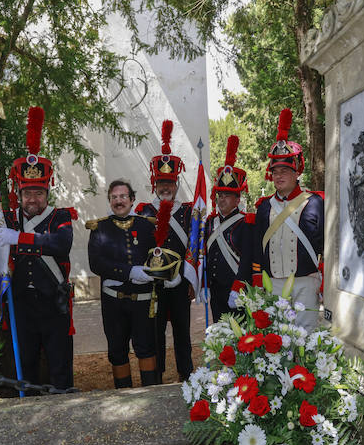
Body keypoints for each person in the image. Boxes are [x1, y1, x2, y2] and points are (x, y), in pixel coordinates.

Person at [0, 106, 76, 391]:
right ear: (19, 193)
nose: (33, 198)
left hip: (53, 306)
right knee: (25, 370)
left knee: (60, 370)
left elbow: (61, 243)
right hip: (20, 308)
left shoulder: (61, 217)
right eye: (27, 192)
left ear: (47, 192)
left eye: (38, 192)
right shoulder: (8, 219)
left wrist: (19, 239)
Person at [232, 108, 324, 330]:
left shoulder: (315, 202)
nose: (279, 175)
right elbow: (256, 248)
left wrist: (325, 285)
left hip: (305, 283)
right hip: (272, 284)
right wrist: (256, 281)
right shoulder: (263, 207)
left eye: (285, 170)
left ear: (296, 172)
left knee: (306, 340)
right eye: (275, 171)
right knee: (276, 342)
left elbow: (324, 244)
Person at [86, 179, 161, 388]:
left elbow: (157, 256)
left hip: (143, 301)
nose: (119, 201)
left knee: (146, 348)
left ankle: (151, 393)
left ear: (132, 199)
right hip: (114, 303)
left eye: (123, 197)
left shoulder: (147, 226)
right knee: (117, 351)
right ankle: (123, 395)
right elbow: (96, 263)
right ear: (110, 200)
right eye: (114, 197)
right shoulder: (99, 228)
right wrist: (129, 272)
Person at [135, 120, 194, 383]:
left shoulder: (188, 212)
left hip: (179, 283)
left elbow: (194, 246)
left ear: (176, 183)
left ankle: (186, 375)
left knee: (183, 331)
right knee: (154, 332)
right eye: (162, 182)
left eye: (170, 182)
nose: (166, 187)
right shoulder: (144, 211)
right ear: (154, 183)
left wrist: (188, 277)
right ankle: (156, 378)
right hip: (153, 284)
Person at [204, 135, 254, 323]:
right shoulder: (210, 222)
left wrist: (239, 287)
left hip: (236, 290)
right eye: (219, 195)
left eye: (227, 195)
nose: (221, 199)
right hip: (216, 290)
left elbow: (248, 259)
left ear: (238, 199)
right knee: (219, 334)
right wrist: (204, 283)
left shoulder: (246, 223)